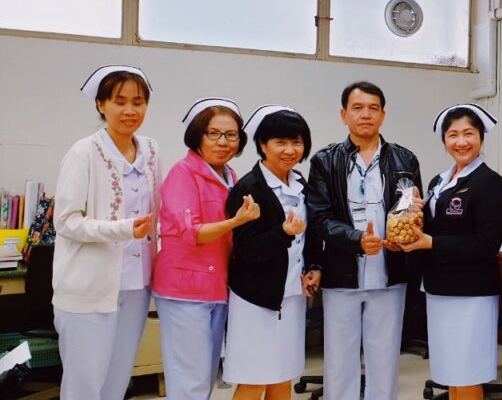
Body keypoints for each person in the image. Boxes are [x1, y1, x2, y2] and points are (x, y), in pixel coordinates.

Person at [305, 81, 422, 400]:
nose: (366, 115)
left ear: (383, 115)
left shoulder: (405, 160)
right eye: (357, 108)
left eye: (373, 108)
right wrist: (356, 240)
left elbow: (411, 209)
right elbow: (319, 217)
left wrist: (404, 236)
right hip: (342, 274)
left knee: (384, 360)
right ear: (344, 115)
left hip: (389, 274)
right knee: (339, 361)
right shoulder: (324, 161)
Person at [53, 65, 160, 400]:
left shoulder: (152, 151)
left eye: (138, 102)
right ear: (101, 105)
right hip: (89, 288)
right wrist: (122, 229)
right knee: (84, 384)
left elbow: (158, 213)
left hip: (136, 285)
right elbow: (66, 221)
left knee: (118, 378)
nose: (130, 110)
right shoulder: (84, 152)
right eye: (119, 101)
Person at [153, 98, 259, 399]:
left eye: (231, 135)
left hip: (216, 285)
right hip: (184, 290)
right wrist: (237, 221)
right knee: (190, 379)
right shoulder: (183, 173)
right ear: (197, 136)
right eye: (213, 133)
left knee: (205, 374)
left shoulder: (231, 176)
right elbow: (192, 233)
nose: (223, 142)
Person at [400, 104, 502, 400]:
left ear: (481, 137)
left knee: (468, 373)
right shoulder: (438, 181)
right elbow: (434, 227)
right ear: (444, 140)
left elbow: (486, 243)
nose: (461, 142)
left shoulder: (490, 182)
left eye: (469, 134)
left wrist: (430, 243)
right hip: (439, 289)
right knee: (451, 373)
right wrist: (411, 219)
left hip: (470, 294)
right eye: (453, 135)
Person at [223, 105, 320, 400]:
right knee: (254, 379)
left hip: (291, 296)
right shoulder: (249, 189)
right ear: (263, 145)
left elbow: (310, 233)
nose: (290, 150)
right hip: (256, 299)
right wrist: (283, 233)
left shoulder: (300, 183)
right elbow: (246, 249)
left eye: (296, 142)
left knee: (282, 376)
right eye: (280, 142)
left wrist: (314, 267)